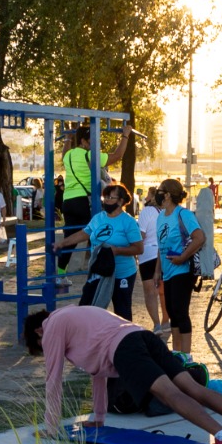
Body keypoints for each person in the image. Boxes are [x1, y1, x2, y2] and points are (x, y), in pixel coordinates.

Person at [24, 304, 222, 444]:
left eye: (41, 345)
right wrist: (98, 417)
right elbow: (97, 373)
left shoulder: (52, 327)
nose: (47, 348)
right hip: (143, 336)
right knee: (193, 388)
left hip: (126, 349)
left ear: (38, 330)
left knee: (170, 395)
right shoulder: (76, 315)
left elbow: (52, 378)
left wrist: (51, 426)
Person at [56, 183, 144, 319]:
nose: (107, 200)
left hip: (122, 273)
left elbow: (139, 248)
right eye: (105, 197)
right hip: (99, 270)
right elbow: (84, 233)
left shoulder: (128, 222)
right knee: (90, 306)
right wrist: (62, 243)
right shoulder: (99, 218)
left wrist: (117, 251)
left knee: (122, 311)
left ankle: (125, 337)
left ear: (120, 201)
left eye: (110, 197)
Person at [58, 123, 130, 272]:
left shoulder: (69, 155)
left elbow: (64, 153)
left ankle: (60, 274)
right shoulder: (90, 155)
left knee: (70, 238)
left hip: (68, 202)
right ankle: (98, 269)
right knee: (98, 232)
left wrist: (67, 139)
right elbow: (117, 156)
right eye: (92, 141)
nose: (94, 145)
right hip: (83, 201)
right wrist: (125, 135)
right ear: (83, 141)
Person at [153, 177, 205, 359]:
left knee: (180, 311)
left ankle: (187, 355)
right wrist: (157, 270)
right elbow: (161, 246)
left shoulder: (183, 215)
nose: (157, 194)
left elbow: (199, 238)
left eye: (160, 191)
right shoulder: (160, 216)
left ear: (167, 195)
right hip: (167, 271)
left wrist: (183, 256)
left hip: (183, 270)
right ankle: (176, 353)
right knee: (172, 312)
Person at [136, 186, 165, 331]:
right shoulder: (167, 212)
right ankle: (167, 320)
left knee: (150, 292)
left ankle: (156, 324)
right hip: (164, 253)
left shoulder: (146, 212)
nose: (146, 198)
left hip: (147, 254)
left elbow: (141, 235)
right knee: (164, 290)